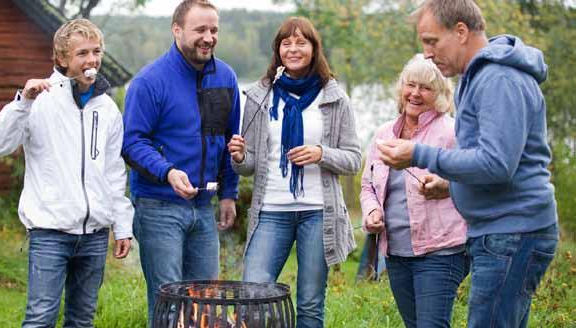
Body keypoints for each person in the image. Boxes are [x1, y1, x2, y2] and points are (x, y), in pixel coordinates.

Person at [377, 1, 559, 327]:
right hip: (499, 231)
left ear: (460, 31)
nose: (427, 52)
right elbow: (492, 158)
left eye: (432, 41)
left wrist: (418, 154)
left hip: (512, 230)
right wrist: (450, 185)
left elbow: (497, 163)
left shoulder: (498, 78)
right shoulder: (478, 78)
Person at [0, 19, 133, 327]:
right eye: (82, 53)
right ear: (62, 59)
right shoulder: (38, 101)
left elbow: (114, 173)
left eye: (96, 52)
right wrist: (22, 101)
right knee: (40, 319)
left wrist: (121, 225)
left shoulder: (107, 109)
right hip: (50, 234)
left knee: (82, 321)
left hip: (94, 236)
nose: (91, 60)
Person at [227, 17, 361, 328]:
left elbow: (354, 159)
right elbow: (249, 166)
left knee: (311, 303)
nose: (293, 49)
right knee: (253, 292)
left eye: (301, 42)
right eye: (286, 43)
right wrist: (240, 155)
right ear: (277, 51)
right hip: (271, 210)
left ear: (315, 49)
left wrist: (321, 154)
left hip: (318, 212)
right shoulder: (260, 95)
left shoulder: (334, 97)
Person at [121, 0, 240, 323]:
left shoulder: (226, 78)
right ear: (176, 30)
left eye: (214, 30)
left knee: (204, 304)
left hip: (204, 208)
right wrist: (168, 172)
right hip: (158, 207)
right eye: (200, 29)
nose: (209, 37)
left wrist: (229, 193)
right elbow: (131, 144)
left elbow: (230, 140)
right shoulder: (149, 82)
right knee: (168, 302)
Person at [360, 54, 469, 328]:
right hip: (396, 252)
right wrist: (372, 211)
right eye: (411, 85)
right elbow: (368, 185)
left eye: (426, 87)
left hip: (442, 251)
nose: (416, 93)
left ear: (441, 94)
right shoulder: (384, 133)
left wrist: (446, 187)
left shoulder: (452, 133)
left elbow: (477, 179)